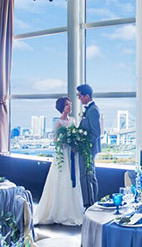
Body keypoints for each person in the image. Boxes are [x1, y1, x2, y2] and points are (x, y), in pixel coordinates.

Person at [33, 97, 84, 225]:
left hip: (71, 153)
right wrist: (65, 140)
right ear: (62, 108)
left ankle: (73, 210)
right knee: (62, 178)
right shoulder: (58, 123)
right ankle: (60, 211)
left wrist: (74, 142)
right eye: (67, 105)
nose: (69, 107)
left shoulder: (72, 120)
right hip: (63, 154)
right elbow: (55, 140)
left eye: (70, 104)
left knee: (72, 178)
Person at [77, 84, 101, 208]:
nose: (79, 98)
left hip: (88, 149)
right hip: (87, 149)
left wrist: (84, 145)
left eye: (80, 95)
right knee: (89, 176)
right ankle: (91, 203)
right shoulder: (89, 109)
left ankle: (89, 204)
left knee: (86, 176)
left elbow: (96, 132)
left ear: (87, 96)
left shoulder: (93, 110)